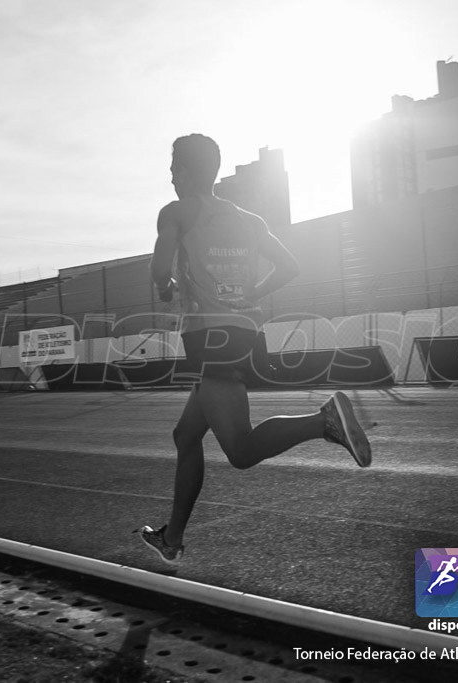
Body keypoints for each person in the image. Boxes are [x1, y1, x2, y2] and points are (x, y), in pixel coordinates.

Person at [136, 134, 372, 564]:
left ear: (186, 172)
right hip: (244, 333)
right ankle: (172, 538)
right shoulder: (248, 219)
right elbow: (290, 266)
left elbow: (158, 267)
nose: (171, 177)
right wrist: (249, 295)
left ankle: (324, 422)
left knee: (241, 451)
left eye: (174, 169)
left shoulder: (176, 211)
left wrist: (165, 286)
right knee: (185, 435)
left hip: (209, 337)